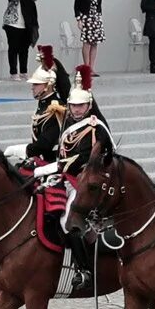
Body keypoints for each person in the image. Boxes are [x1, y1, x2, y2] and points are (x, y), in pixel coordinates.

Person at [32, 65, 112, 289]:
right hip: (66, 179)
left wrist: (52, 168)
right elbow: (62, 151)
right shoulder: (69, 124)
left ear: (89, 105)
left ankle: (84, 269)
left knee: (68, 222)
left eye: (80, 106)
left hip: (84, 184)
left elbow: (85, 158)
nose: (76, 110)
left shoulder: (96, 128)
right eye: (73, 106)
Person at [4, 45, 70, 166]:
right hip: (41, 158)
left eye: (36, 84)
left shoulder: (55, 109)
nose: (32, 87)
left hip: (53, 162)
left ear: (48, 85)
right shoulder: (43, 105)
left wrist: (23, 150)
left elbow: (46, 143)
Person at [2, 0, 38, 80]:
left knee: (24, 49)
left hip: (26, 24)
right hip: (13, 24)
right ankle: (13, 72)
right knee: (13, 48)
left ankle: (23, 71)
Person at [74, 0, 105, 70]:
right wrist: (79, 19)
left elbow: (99, 4)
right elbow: (76, 5)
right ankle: (86, 66)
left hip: (96, 17)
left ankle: (92, 67)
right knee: (87, 42)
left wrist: (99, 17)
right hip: (86, 17)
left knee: (94, 43)